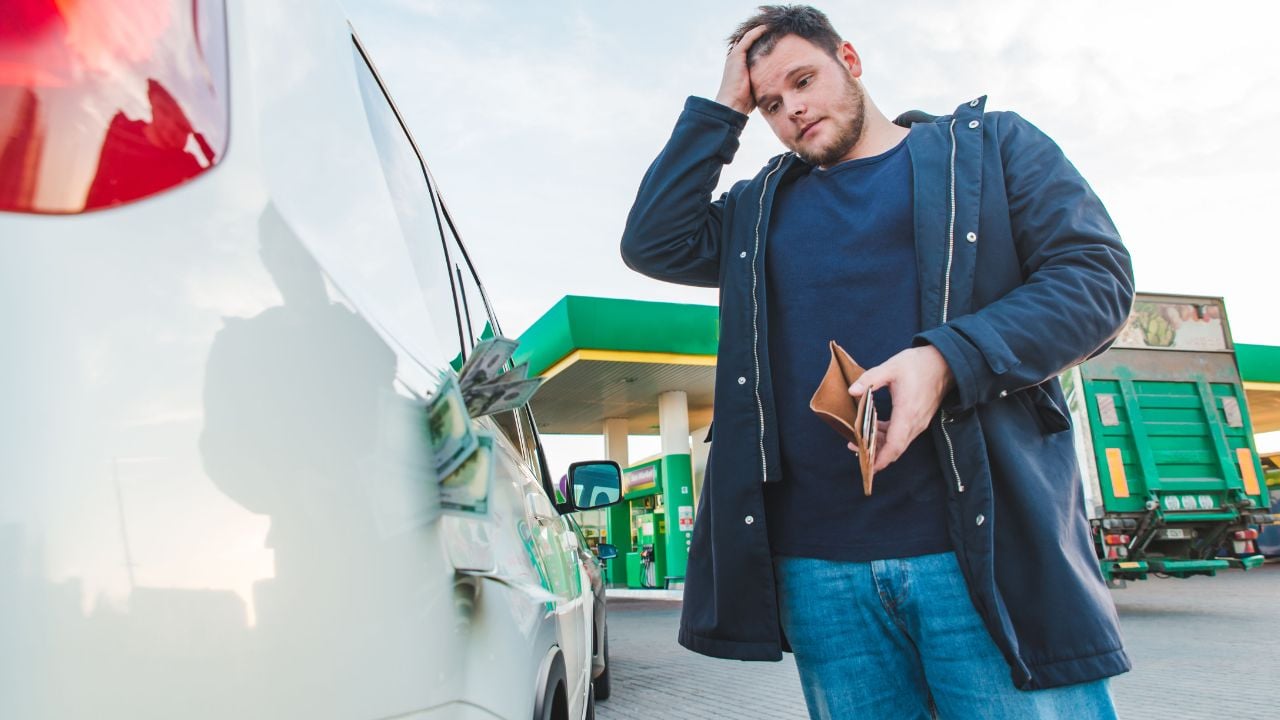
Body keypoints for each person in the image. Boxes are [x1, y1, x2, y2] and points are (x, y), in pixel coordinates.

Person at [619, 5, 1135, 719]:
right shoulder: (756, 210)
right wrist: (722, 106)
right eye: (770, 101)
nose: (792, 108)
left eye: (804, 79)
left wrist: (949, 359)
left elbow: (1095, 280)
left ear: (851, 60)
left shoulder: (988, 151)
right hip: (821, 578)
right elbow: (653, 241)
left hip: (982, 557)